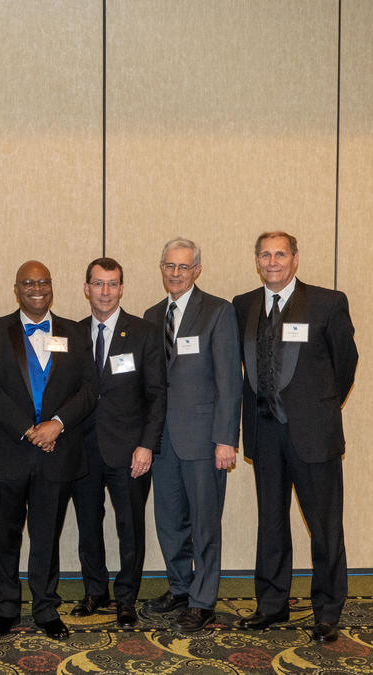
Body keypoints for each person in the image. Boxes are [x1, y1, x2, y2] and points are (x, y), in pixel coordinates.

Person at [232, 231, 358, 644]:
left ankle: (326, 610)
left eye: (280, 254)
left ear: (295, 259)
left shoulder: (326, 303)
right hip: (264, 433)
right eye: (265, 255)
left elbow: (345, 364)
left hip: (312, 434)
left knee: (324, 526)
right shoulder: (244, 305)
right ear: (256, 261)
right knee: (270, 522)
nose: (273, 261)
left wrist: (318, 407)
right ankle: (271, 604)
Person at [0, 260, 97, 641]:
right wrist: (30, 430)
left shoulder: (75, 332)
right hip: (8, 450)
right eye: (28, 282)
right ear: (16, 289)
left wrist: (56, 425)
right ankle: (7, 608)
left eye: (43, 282)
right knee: (6, 538)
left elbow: (89, 390)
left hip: (57, 451)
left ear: (52, 287)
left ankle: (45, 608)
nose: (36, 288)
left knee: (47, 536)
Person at [143, 238, 242, 632]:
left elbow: (229, 381)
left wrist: (225, 438)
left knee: (204, 523)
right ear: (161, 267)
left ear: (197, 270)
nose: (176, 273)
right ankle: (180, 587)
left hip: (203, 440)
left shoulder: (218, 312)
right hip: (162, 441)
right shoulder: (151, 315)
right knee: (168, 521)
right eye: (169, 265)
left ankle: (203, 599)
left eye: (184, 267)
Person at [69, 258, 166, 628]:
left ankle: (126, 598)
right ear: (86, 288)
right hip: (83, 449)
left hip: (130, 451)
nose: (105, 292)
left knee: (130, 526)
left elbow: (157, 394)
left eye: (112, 285)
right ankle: (96, 591)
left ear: (122, 289)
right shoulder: (73, 335)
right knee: (88, 524)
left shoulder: (143, 332)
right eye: (98, 284)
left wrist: (147, 445)